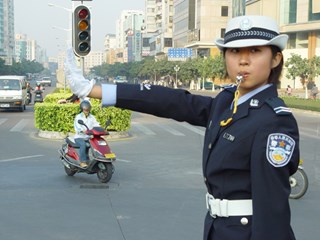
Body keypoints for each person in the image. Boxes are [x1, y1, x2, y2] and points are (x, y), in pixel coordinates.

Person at [65, 15, 300, 240]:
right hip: (218, 229)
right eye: (235, 51)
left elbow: (272, 212)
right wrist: (93, 90)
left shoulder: (274, 121)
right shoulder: (228, 101)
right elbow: (171, 101)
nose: (243, 60)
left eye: (255, 50)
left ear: (276, 59)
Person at [74, 99, 100, 168]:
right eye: (85, 110)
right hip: (79, 137)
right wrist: (84, 130)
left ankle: (88, 159)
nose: (86, 111)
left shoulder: (92, 117)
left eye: (88, 109)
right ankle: (82, 162)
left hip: (88, 137)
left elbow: (96, 124)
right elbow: (78, 127)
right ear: (82, 109)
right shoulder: (78, 117)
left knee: (94, 144)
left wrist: (101, 129)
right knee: (83, 145)